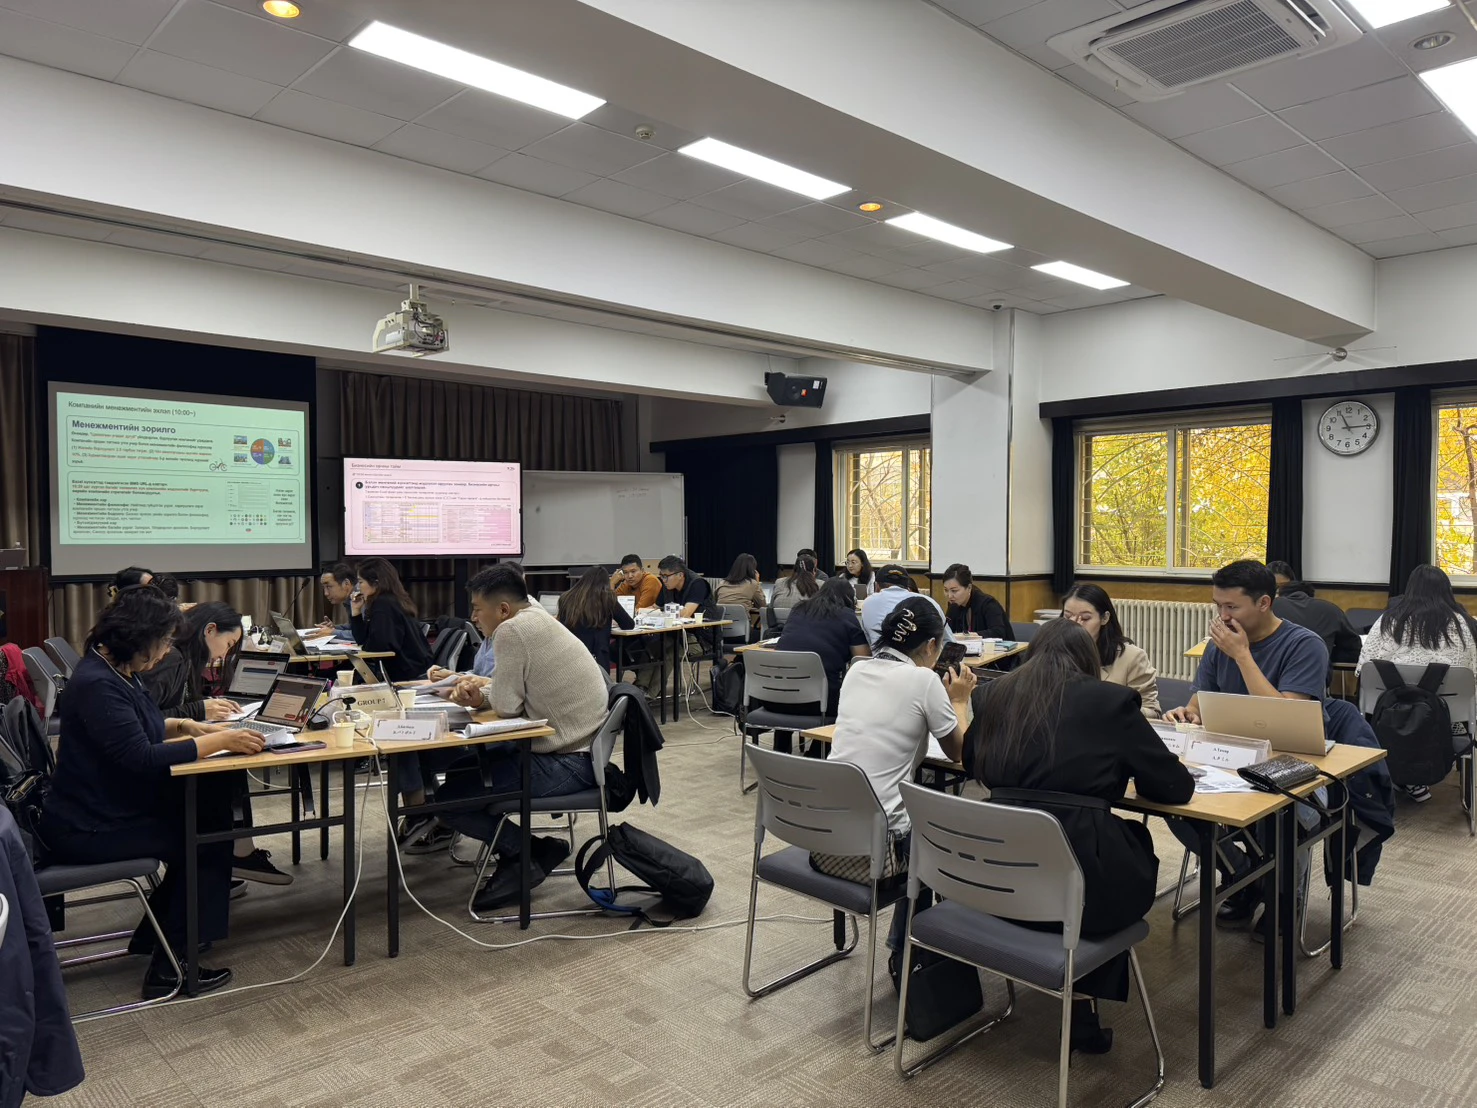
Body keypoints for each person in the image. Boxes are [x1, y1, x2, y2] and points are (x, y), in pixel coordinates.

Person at [966, 619, 1194, 1053]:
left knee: (1099, 851)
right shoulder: (1111, 701)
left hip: (996, 876)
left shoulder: (991, 695)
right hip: (1083, 890)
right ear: (1088, 660)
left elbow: (972, 761)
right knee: (1126, 847)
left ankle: (1082, 1006)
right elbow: (1174, 787)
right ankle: (1084, 1006)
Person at [39, 587, 268, 999]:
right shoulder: (97, 684)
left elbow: (140, 725)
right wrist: (219, 741)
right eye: (162, 642)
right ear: (138, 636)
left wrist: (186, 726)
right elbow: (141, 756)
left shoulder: (114, 671)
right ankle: (172, 964)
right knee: (206, 838)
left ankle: (160, 937)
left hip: (104, 808)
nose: (165, 652)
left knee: (210, 817)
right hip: (88, 826)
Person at [1163, 559, 1330, 928]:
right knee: (1173, 802)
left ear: (1264, 603)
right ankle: (1244, 875)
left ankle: (1283, 894)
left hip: (1291, 768)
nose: (1222, 616)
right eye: (1218, 606)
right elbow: (1199, 705)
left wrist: (1242, 655)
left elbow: (1284, 719)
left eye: (1231, 607)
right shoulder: (1217, 646)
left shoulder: (1304, 645)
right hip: (1230, 761)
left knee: (1278, 815)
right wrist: (1186, 714)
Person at [443, 565, 608, 909]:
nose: (473, 617)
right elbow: (512, 696)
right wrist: (479, 696)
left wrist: (485, 696)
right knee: (461, 772)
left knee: (448, 801)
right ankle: (534, 849)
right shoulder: (532, 614)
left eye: (477, 608)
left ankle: (525, 852)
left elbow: (506, 706)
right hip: (581, 753)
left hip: (567, 762)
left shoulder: (512, 630)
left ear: (503, 609)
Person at [826, 597, 974, 949]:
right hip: (882, 847)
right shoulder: (923, 681)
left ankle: (905, 945)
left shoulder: (857, 669)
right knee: (939, 834)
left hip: (828, 833)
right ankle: (909, 951)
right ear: (931, 645)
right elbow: (960, 753)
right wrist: (959, 701)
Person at [138, 602, 292, 887]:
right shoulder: (173, 659)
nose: (224, 654)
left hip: (160, 750)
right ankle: (224, 861)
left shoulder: (182, 658)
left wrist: (203, 707)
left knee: (230, 762)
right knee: (225, 770)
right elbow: (146, 717)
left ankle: (225, 860)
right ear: (209, 631)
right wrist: (199, 710)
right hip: (153, 763)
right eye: (228, 644)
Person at [1359, 563, 1477, 803]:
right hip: (1448, 720)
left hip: (1389, 716)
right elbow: (1471, 674)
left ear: (1409, 589)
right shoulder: (1461, 624)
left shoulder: (1387, 620)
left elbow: (1363, 668)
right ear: (1447, 590)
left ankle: (1398, 777)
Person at [773, 576, 871, 719]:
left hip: (774, 697)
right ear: (850, 599)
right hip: (819, 702)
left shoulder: (798, 609)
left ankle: (779, 736)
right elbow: (862, 659)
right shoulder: (847, 615)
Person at [1061, 583, 1160, 718]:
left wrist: (1116, 709)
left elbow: (1153, 713)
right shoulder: (1054, 652)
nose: (1075, 625)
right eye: (1067, 617)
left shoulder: (1132, 657)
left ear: (1105, 618)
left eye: (1085, 618)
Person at [349, 557, 433, 684]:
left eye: (360, 582)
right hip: (408, 670)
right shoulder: (388, 600)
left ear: (376, 583)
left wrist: (367, 644)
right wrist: (356, 611)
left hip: (409, 675)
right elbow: (362, 640)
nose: (358, 587)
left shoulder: (384, 604)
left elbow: (379, 647)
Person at [1267, 560, 1360, 668]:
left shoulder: (1267, 609)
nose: (1277, 592)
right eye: (1274, 588)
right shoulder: (1331, 609)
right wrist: (1325, 653)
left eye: (1280, 587)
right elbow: (1354, 651)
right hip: (1317, 674)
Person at [558, 565, 635, 674]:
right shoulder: (607, 598)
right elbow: (628, 624)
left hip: (569, 657)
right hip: (597, 659)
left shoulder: (565, 597)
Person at [860, 564, 953, 648]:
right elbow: (948, 641)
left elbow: (868, 642)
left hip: (879, 660)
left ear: (876, 586)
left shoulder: (868, 603)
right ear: (907, 586)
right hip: (919, 660)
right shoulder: (928, 602)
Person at [941, 563, 1010, 640]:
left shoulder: (988, 604)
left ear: (969, 587)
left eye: (954, 591)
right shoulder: (954, 605)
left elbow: (998, 632)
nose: (949, 596)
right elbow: (948, 632)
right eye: (946, 590)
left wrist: (969, 636)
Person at [714, 552, 767, 634]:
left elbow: (715, 602)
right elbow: (762, 605)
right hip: (742, 631)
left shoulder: (722, 583)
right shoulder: (752, 584)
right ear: (752, 569)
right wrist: (757, 581)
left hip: (720, 630)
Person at [317, 562, 356, 638]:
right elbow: (355, 627)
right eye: (323, 587)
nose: (326, 593)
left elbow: (364, 635)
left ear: (346, 583)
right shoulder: (349, 600)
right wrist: (334, 628)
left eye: (329, 586)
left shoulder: (361, 597)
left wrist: (332, 632)